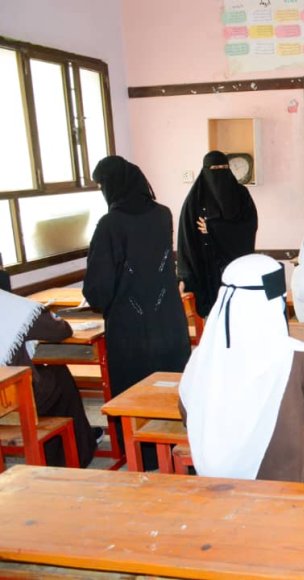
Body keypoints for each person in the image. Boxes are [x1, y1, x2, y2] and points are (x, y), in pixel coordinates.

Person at [179, 254, 304, 483]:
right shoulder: (303, 360)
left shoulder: (202, 357)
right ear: (276, 303)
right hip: (293, 493)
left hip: (220, 491)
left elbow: (189, 415)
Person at [83, 156, 191, 467]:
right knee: (172, 386)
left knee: (133, 393)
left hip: (130, 328)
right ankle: (180, 449)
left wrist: (100, 300)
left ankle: (142, 457)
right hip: (168, 320)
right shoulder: (163, 214)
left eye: (102, 185)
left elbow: (98, 286)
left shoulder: (110, 224)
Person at [0, 289, 97, 467]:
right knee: (59, 375)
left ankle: (63, 447)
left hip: (5, 395)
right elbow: (60, 330)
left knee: (48, 378)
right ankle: (76, 453)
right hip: (13, 400)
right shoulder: (11, 306)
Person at [178, 151, 258, 317]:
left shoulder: (241, 194)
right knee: (214, 319)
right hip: (207, 272)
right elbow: (186, 240)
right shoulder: (195, 200)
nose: (220, 172)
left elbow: (248, 227)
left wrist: (213, 228)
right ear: (206, 170)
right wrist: (184, 277)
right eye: (215, 168)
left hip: (237, 267)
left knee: (240, 317)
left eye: (224, 167)